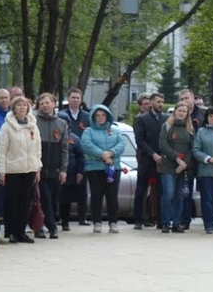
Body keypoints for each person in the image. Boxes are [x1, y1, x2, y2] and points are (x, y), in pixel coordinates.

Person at [0, 96, 42, 243]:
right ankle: (10, 231)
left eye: (25, 105)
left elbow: (37, 149)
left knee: (25, 202)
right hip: (13, 170)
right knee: (12, 202)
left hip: (29, 169)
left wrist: (38, 168)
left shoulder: (33, 126)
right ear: (14, 108)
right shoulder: (7, 127)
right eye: (19, 105)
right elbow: (2, 151)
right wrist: (2, 171)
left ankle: (21, 231)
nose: (22, 107)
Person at [78, 104, 127, 233]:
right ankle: (97, 222)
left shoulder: (115, 130)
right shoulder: (88, 131)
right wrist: (102, 154)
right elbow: (87, 145)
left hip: (113, 167)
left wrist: (111, 153)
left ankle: (113, 223)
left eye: (103, 115)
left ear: (108, 116)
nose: (100, 118)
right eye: (97, 115)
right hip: (94, 168)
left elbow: (121, 144)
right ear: (93, 117)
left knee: (112, 196)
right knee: (96, 195)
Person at [34, 93, 68, 239]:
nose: (45, 106)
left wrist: (63, 169)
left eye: (47, 103)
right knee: (43, 198)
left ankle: (44, 225)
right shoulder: (34, 121)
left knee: (52, 200)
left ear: (54, 104)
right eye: (42, 103)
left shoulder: (61, 123)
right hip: (39, 169)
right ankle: (50, 226)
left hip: (54, 169)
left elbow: (64, 148)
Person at [158, 101, 195, 233]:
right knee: (168, 194)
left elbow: (192, 148)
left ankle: (176, 222)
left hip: (183, 167)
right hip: (168, 165)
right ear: (175, 112)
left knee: (180, 195)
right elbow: (162, 144)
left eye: (184, 111)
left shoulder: (189, 128)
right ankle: (165, 223)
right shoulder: (167, 126)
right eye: (180, 111)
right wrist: (177, 158)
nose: (182, 113)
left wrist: (185, 163)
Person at [132, 92, 166, 229]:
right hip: (146, 158)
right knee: (141, 189)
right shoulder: (142, 119)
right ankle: (139, 219)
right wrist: (152, 154)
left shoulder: (166, 118)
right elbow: (139, 140)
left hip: (163, 159)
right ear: (151, 103)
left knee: (160, 190)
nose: (161, 104)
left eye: (162, 101)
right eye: (158, 101)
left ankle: (159, 219)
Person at [58, 88, 90, 226]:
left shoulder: (87, 117)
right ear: (68, 98)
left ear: (81, 99)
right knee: (63, 191)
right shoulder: (61, 115)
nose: (75, 100)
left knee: (82, 189)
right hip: (65, 157)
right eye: (73, 97)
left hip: (81, 157)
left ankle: (82, 218)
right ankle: (62, 219)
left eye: (78, 97)